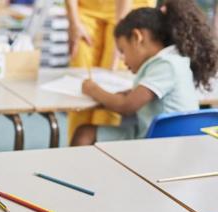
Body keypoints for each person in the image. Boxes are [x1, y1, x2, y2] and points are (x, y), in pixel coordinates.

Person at [71, 0, 218, 146]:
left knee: (84, 134)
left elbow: (126, 107)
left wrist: (93, 90)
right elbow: (145, 95)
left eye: (123, 50)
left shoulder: (166, 64)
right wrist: (128, 92)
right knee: (85, 132)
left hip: (162, 143)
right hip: (165, 138)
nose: (123, 58)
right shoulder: (172, 60)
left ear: (137, 37)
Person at [65, 0, 156, 143]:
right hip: (88, 8)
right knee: (79, 84)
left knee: (113, 83)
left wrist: (119, 42)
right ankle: (77, 150)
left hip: (130, 9)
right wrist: (73, 22)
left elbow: (125, 105)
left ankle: (103, 153)